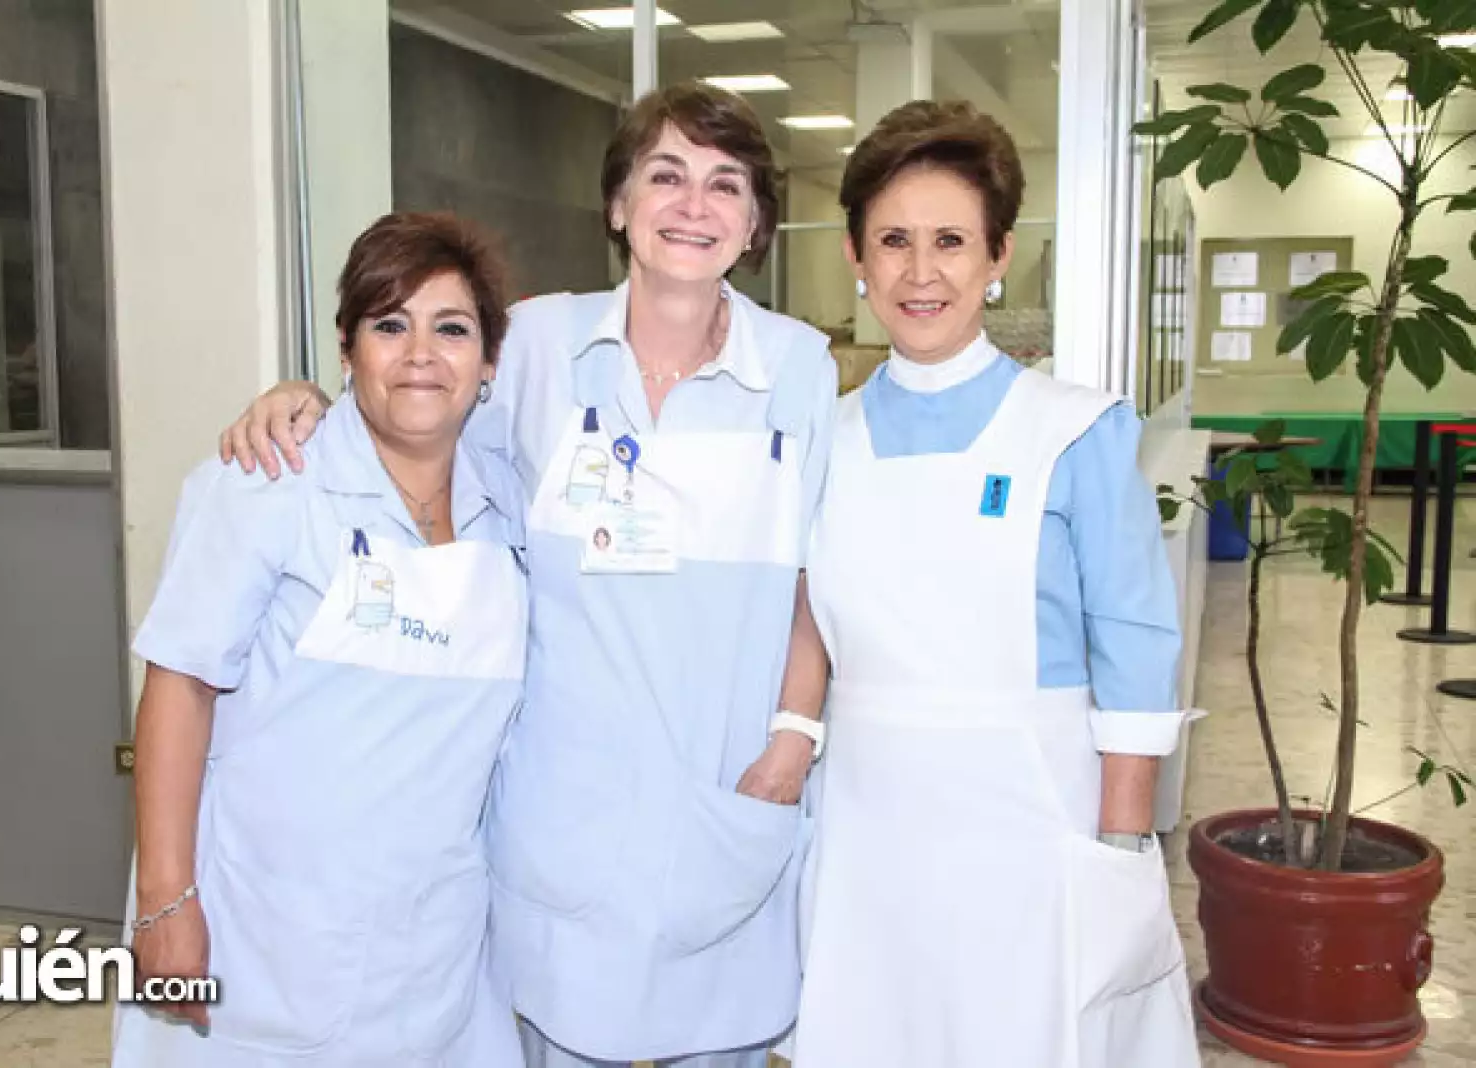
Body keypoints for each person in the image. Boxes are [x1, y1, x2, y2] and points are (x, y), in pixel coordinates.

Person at [217, 83, 838, 1068]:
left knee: (719, 1040)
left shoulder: (799, 365)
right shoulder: (543, 342)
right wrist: (304, 396)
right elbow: (419, 414)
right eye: (664, 175)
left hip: (729, 788)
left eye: (725, 185)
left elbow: (816, 576)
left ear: (757, 220)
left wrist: (790, 747)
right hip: (561, 802)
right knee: (555, 1036)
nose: (693, 205)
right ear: (619, 205)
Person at [784, 99, 1201, 1066]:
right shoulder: (826, 439)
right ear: (855, 253)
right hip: (868, 823)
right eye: (892, 240)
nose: (920, 273)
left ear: (998, 254)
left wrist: (1120, 851)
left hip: (1034, 822)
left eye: (950, 241)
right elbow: (808, 614)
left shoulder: (1075, 430)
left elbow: (1136, 646)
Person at [112, 212, 528, 1067]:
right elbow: (179, 686)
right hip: (262, 932)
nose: (420, 352)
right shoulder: (267, 484)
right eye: (388, 325)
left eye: (452, 328)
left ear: (488, 363)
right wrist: (163, 900)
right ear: (346, 352)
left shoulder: (509, 505)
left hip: (437, 944)